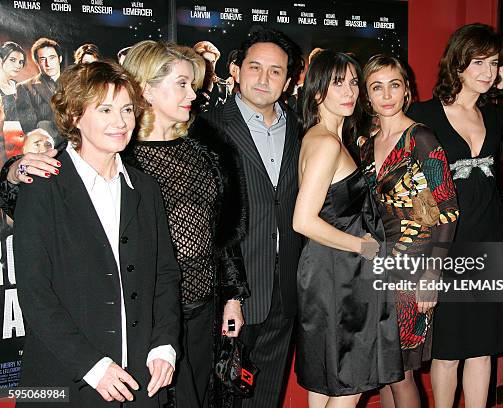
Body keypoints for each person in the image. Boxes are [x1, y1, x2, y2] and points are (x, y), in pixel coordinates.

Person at [13, 60, 181, 407]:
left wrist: (164, 344)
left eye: (127, 110)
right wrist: (93, 366)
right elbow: (35, 294)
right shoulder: (43, 187)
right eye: (105, 109)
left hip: (140, 383)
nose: (121, 122)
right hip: (65, 384)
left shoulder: (144, 188)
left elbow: (164, 275)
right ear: (75, 115)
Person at [408, 23, 503, 407]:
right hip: (447, 248)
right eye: (478, 62)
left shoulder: (494, 116)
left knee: (484, 349)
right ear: (458, 64)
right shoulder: (424, 115)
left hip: (492, 245)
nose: (487, 71)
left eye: (494, 63)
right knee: (448, 352)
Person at [122, 40, 249, 407]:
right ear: (146, 88)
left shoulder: (206, 149)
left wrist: (233, 297)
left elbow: (223, 234)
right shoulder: (117, 153)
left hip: (202, 307)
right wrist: (18, 172)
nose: (192, 93)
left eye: (191, 84)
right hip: (145, 313)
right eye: (182, 83)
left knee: (202, 395)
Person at [293, 50, 403, 408]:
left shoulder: (324, 137)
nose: (349, 91)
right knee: (351, 380)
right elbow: (303, 221)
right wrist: (363, 247)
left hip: (329, 272)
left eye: (354, 82)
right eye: (337, 82)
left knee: (328, 381)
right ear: (317, 90)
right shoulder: (325, 143)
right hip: (338, 275)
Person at [201, 28, 304, 408]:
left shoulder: (298, 128)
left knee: (268, 392)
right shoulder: (208, 126)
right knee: (222, 392)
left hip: (285, 284)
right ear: (235, 70)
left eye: (276, 71)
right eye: (255, 67)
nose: (264, 78)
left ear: (289, 80)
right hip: (232, 289)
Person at [359, 54, 459, 408]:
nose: (386, 94)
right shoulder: (367, 143)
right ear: (367, 95)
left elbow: (445, 210)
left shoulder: (420, 138)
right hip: (378, 264)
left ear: (406, 92)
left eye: (394, 85)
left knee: (401, 372)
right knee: (382, 369)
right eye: (377, 86)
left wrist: (432, 273)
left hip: (414, 263)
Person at [15, 37, 62, 136]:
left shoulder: (74, 83)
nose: (48, 64)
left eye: (52, 58)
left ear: (60, 59)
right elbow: (29, 128)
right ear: (37, 62)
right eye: (43, 59)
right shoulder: (24, 87)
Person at [194, 40, 231, 112]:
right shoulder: (189, 83)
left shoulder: (222, 85)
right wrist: (208, 90)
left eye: (213, 62)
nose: (210, 66)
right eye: (206, 61)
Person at [0, 41, 26, 122]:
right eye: (12, 60)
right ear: (1, 60)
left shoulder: (18, 86)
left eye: (21, 62)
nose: (18, 65)